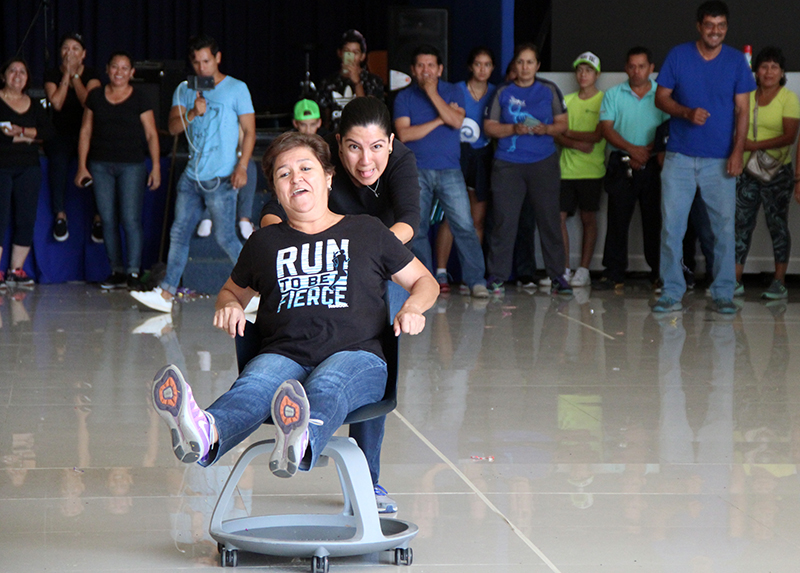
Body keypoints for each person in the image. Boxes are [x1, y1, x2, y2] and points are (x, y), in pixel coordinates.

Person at [151, 132, 438, 492]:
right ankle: (205, 431)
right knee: (251, 388)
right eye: (284, 174)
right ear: (275, 189)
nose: (296, 178)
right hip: (284, 354)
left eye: (306, 168)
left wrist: (412, 307)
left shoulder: (367, 230)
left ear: (328, 177)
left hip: (356, 355)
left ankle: (299, 440)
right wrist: (228, 307)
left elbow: (425, 282)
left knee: (328, 383)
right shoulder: (263, 243)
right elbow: (230, 291)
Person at [261, 97, 420, 512]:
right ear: (337, 144)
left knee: (371, 353)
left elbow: (407, 221)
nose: (366, 160)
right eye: (353, 147)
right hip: (320, 263)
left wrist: (369, 252)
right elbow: (270, 215)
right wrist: (298, 243)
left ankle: (367, 482)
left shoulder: (402, 162)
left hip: (375, 261)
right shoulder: (322, 164)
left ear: (390, 142)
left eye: (376, 148)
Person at [131, 35, 255, 313]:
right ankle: (166, 294)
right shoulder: (185, 89)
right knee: (179, 233)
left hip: (222, 177)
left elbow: (249, 131)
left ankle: (255, 290)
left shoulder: (237, 88)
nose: (202, 67)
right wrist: (192, 113)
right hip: (192, 175)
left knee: (226, 238)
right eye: (196, 62)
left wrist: (243, 166)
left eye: (207, 61)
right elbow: (173, 127)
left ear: (218, 58)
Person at [653, 1, 756, 314]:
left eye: (721, 25)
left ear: (726, 27)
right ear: (699, 26)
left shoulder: (737, 61)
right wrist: (685, 112)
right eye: (710, 25)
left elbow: (743, 110)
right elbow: (661, 98)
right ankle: (671, 291)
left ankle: (723, 292)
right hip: (679, 156)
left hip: (720, 160)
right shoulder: (678, 55)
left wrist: (738, 151)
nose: (716, 31)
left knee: (724, 229)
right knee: (672, 227)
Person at [394, 45, 489, 298]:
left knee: (465, 226)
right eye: (421, 66)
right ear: (413, 70)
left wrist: (433, 93)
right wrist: (440, 119)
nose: (426, 71)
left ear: (440, 69)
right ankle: (425, 282)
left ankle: (476, 280)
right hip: (415, 169)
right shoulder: (404, 97)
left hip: (450, 169)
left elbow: (458, 121)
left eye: (431, 66)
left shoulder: (453, 90)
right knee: (418, 228)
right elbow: (404, 134)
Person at [484, 43, 571, 295]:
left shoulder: (549, 89)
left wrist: (546, 129)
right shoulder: (503, 91)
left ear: (537, 66)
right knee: (504, 221)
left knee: (549, 220)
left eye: (530, 62)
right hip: (508, 165)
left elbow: (563, 123)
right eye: (520, 62)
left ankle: (558, 276)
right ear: (515, 65)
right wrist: (513, 129)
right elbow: (489, 126)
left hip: (543, 162)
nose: (525, 67)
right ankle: (497, 277)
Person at [74, 51, 161, 290]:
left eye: (124, 68)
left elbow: (152, 134)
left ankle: (133, 272)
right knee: (108, 219)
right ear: (107, 69)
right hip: (99, 166)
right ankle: (117, 271)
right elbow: (85, 131)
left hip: (132, 165)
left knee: (130, 219)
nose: (119, 72)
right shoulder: (95, 96)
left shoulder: (140, 98)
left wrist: (155, 167)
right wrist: (82, 166)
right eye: (115, 67)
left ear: (132, 72)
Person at [595, 47, 669, 291]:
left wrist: (645, 152)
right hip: (622, 163)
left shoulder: (663, 95)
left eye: (641, 66)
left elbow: (668, 130)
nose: (636, 71)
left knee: (655, 220)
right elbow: (607, 128)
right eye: (632, 66)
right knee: (617, 219)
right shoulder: (614, 94)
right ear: (626, 68)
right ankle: (613, 273)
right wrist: (632, 150)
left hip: (654, 163)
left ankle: (661, 273)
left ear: (651, 68)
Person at [734, 46, 800, 300]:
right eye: (764, 66)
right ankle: (735, 280)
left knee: (777, 225)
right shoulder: (747, 96)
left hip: (777, 173)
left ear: (782, 71)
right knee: (741, 225)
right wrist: (741, 151)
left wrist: (752, 146)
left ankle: (779, 282)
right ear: (756, 71)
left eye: (774, 66)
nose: (769, 71)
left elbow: (789, 136)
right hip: (747, 170)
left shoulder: (788, 98)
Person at [434, 46, 496, 293]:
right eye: (478, 64)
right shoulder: (456, 90)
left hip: (483, 157)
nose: (483, 69)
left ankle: (471, 275)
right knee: (453, 216)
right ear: (471, 66)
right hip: (458, 154)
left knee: (476, 219)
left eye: (488, 64)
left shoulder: (496, 92)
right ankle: (440, 272)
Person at [0, 58, 54, 288]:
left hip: (29, 168)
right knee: (0, 218)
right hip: (2, 166)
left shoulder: (34, 104)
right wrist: (28, 138)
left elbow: (49, 132)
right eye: (12, 71)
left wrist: (21, 132)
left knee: (25, 218)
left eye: (22, 71)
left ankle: (16, 270)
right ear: (4, 76)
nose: (17, 75)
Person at [44, 32, 102, 243]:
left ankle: (98, 218)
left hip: (88, 132)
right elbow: (56, 104)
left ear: (83, 54)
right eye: (66, 48)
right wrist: (66, 76)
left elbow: (89, 101)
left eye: (75, 49)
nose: (70, 53)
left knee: (99, 161)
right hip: (60, 133)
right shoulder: (52, 74)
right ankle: (60, 215)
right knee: (57, 159)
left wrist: (76, 76)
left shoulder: (92, 74)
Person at [554, 51, 606, 288]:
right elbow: (558, 134)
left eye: (588, 70)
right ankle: (564, 268)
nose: (583, 75)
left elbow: (598, 135)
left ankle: (583, 269)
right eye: (580, 70)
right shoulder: (568, 100)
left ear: (596, 74)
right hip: (566, 170)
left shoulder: (604, 99)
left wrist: (570, 134)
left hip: (592, 171)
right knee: (559, 218)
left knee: (588, 218)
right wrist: (576, 141)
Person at [318, 29, 385, 133]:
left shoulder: (374, 81)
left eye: (355, 52)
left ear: (362, 56)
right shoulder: (328, 82)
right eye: (347, 51)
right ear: (340, 53)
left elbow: (368, 114)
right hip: (334, 136)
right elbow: (324, 118)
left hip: (363, 134)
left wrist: (357, 82)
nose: (351, 56)